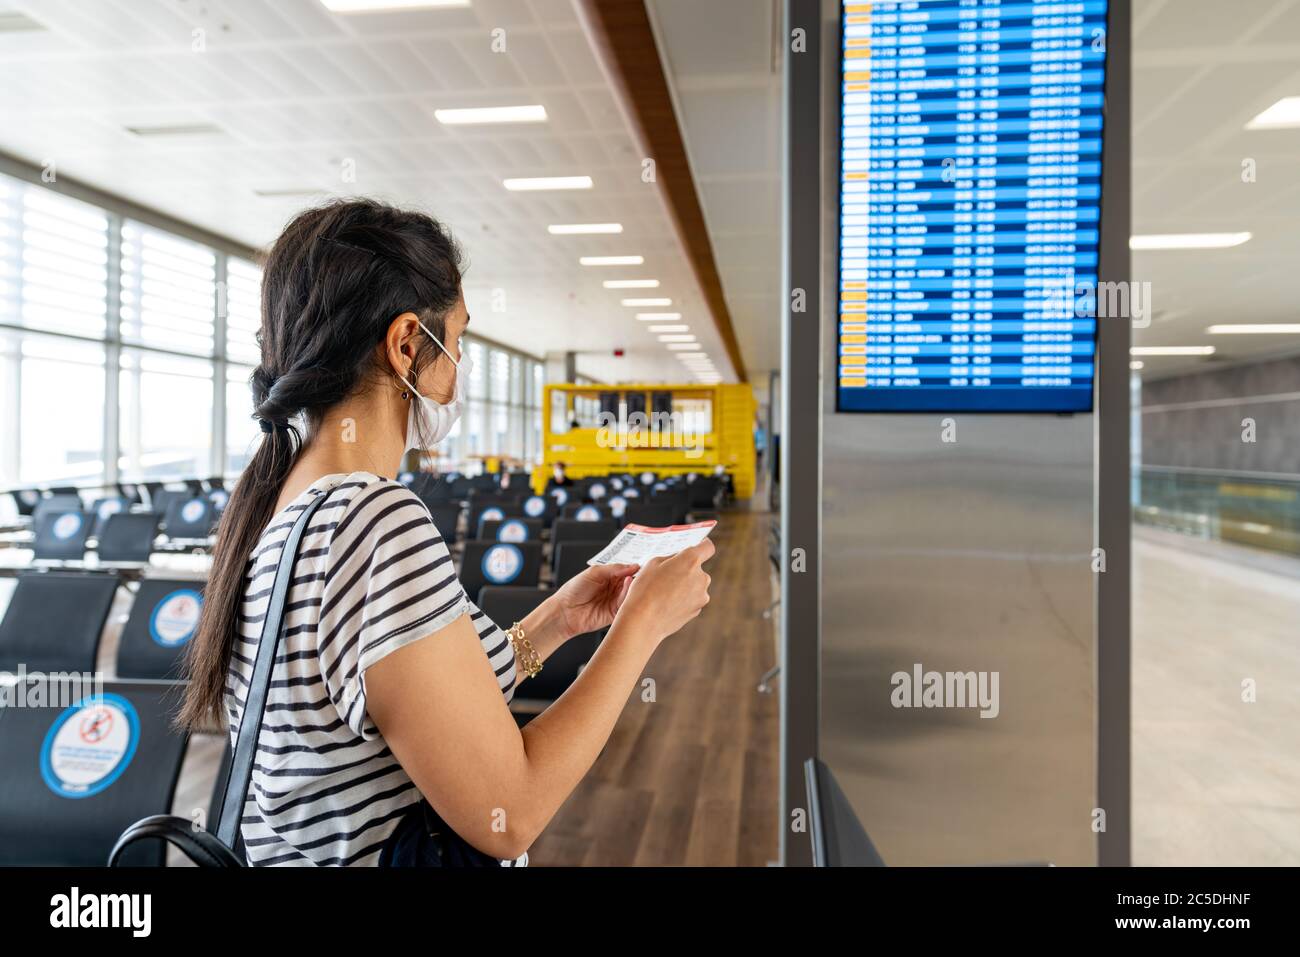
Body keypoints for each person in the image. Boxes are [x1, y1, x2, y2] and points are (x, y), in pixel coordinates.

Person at [179, 199, 713, 866]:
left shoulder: (280, 512)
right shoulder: (374, 522)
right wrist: (643, 626)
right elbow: (511, 813)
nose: (458, 367)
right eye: (456, 341)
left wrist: (556, 620)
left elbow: (418, 701)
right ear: (408, 344)